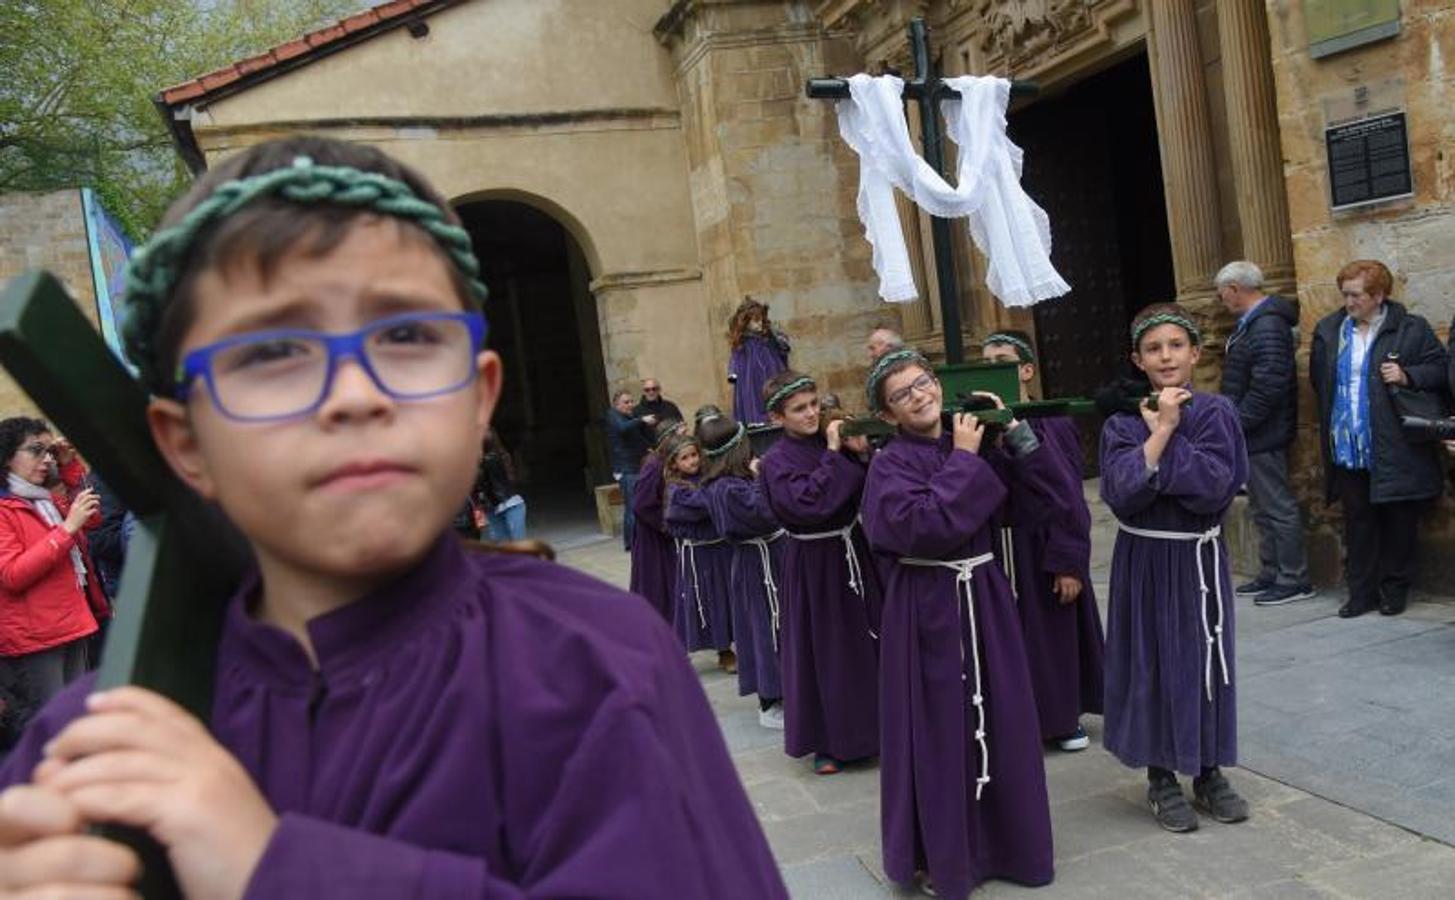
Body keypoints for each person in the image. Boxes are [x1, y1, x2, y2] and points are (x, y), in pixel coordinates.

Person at [0, 135, 787, 898]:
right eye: (272, 355)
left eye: (407, 335)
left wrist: (274, 867)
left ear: (478, 397)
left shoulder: (595, 665)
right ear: (185, 443)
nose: (355, 395)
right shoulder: (86, 752)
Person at [861, 349, 1056, 899]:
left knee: (1002, 719)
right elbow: (923, 527)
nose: (920, 395)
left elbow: (1047, 503)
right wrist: (966, 460)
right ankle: (944, 857)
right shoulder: (888, 465)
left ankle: (1012, 847)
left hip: (985, 599)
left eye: (923, 382)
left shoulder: (971, 440)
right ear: (888, 414)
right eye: (903, 394)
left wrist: (1015, 434)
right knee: (939, 730)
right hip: (927, 607)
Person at [1100, 303, 1250, 834]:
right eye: (1153, 349)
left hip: (1198, 560)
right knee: (1153, 662)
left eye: (1175, 346)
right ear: (1137, 360)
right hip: (1145, 561)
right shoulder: (1120, 423)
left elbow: (1216, 485)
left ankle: (1208, 771)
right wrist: (1160, 432)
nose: (1165, 356)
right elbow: (1120, 492)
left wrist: (1164, 450)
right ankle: (1161, 775)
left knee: (1205, 660)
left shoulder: (1217, 414)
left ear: (1195, 353)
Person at [982, 331, 1105, 752]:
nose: (994, 370)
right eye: (986, 364)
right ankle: (1015, 719)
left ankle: (1060, 718)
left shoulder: (1051, 421)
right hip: (999, 549)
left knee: (1050, 636)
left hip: (1042, 546)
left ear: (1026, 370)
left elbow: (1067, 493)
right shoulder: (977, 428)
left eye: (1003, 360)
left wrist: (1069, 560)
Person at [759, 369, 880, 776]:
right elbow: (810, 504)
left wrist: (860, 453)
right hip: (815, 564)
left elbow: (866, 484)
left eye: (813, 405)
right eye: (799, 409)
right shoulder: (776, 462)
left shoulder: (836, 442)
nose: (811, 414)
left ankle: (879, 729)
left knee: (867, 641)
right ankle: (831, 741)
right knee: (826, 650)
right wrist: (833, 452)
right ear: (778, 417)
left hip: (854, 552)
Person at [1310, 260, 1447, 618]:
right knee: (1358, 519)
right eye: (1345, 294)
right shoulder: (1329, 330)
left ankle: (1395, 589)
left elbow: (1440, 370)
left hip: (1394, 441)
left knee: (1400, 518)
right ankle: (1361, 592)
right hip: (1348, 442)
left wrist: (1407, 375)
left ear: (1379, 295)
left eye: (1355, 295)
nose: (1348, 302)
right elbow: (1318, 382)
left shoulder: (1410, 329)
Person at [0, 418, 107, 737]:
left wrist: (70, 466)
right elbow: (13, 574)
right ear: (6, 457)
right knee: (54, 733)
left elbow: (94, 519)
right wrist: (65, 530)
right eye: (36, 450)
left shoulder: (41, 499)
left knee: (79, 722)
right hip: (36, 640)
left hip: (72, 624)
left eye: (49, 450)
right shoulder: (7, 508)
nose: (46, 458)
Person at [1214, 261, 1313, 606]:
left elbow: (1269, 383)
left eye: (1222, 291)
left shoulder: (1267, 325)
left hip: (1263, 431)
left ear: (1236, 288)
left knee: (1277, 505)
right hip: (1253, 431)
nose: (1220, 298)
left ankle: (1294, 578)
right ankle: (1272, 571)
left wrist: (1237, 421)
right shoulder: (1253, 324)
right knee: (1260, 505)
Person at [699, 415, 786, 730]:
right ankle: (770, 700)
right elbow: (764, 515)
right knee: (763, 629)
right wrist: (762, 480)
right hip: (757, 564)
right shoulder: (727, 488)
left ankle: (783, 692)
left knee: (776, 626)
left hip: (766, 559)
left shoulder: (729, 483)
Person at [664, 434, 737, 673]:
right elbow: (699, 508)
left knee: (730, 598)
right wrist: (718, 496)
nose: (692, 461)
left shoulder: (709, 478)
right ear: (674, 464)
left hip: (723, 548)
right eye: (685, 458)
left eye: (694, 455)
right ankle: (723, 651)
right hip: (700, 555)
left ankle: (740, 644)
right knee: (710, 601)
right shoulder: (677, 489)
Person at [630, 419, 684, 624]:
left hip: (663, 534)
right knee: (656, 586)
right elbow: (641, 504)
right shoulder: (654, 465)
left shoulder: (667, 461)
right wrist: (666, 525)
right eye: (680, 434)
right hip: (652, 536)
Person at [727, 297, 790, 425]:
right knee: (757, 407)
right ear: (746, 323)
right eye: (755, 321)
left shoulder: (768, 340)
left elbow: (783, 353)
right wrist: (732, 379)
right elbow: (734, 365)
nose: (760, 323)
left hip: (773, 378)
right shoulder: (742, 345)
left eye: (761, 320)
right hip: (751, 385)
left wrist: (777, 337)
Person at [606, 389, 656, 552]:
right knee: (632, 507)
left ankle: (636, 541)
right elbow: (622, 429)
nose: (630, 405)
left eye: (631, 401)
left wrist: (649, 448)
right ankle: (631, 543)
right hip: (626, 469)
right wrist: (641, 419)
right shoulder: (612, 416)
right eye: (626, 402)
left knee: (638, 505)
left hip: (636, 466)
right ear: (616, 405)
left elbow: (635, 437)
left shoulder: (630, 417)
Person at [477, 428, 526, 541]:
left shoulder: (491, 460)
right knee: (507, 546)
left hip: (508, 505)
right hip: (497, 506)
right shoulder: (501, 455)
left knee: (515, 545)